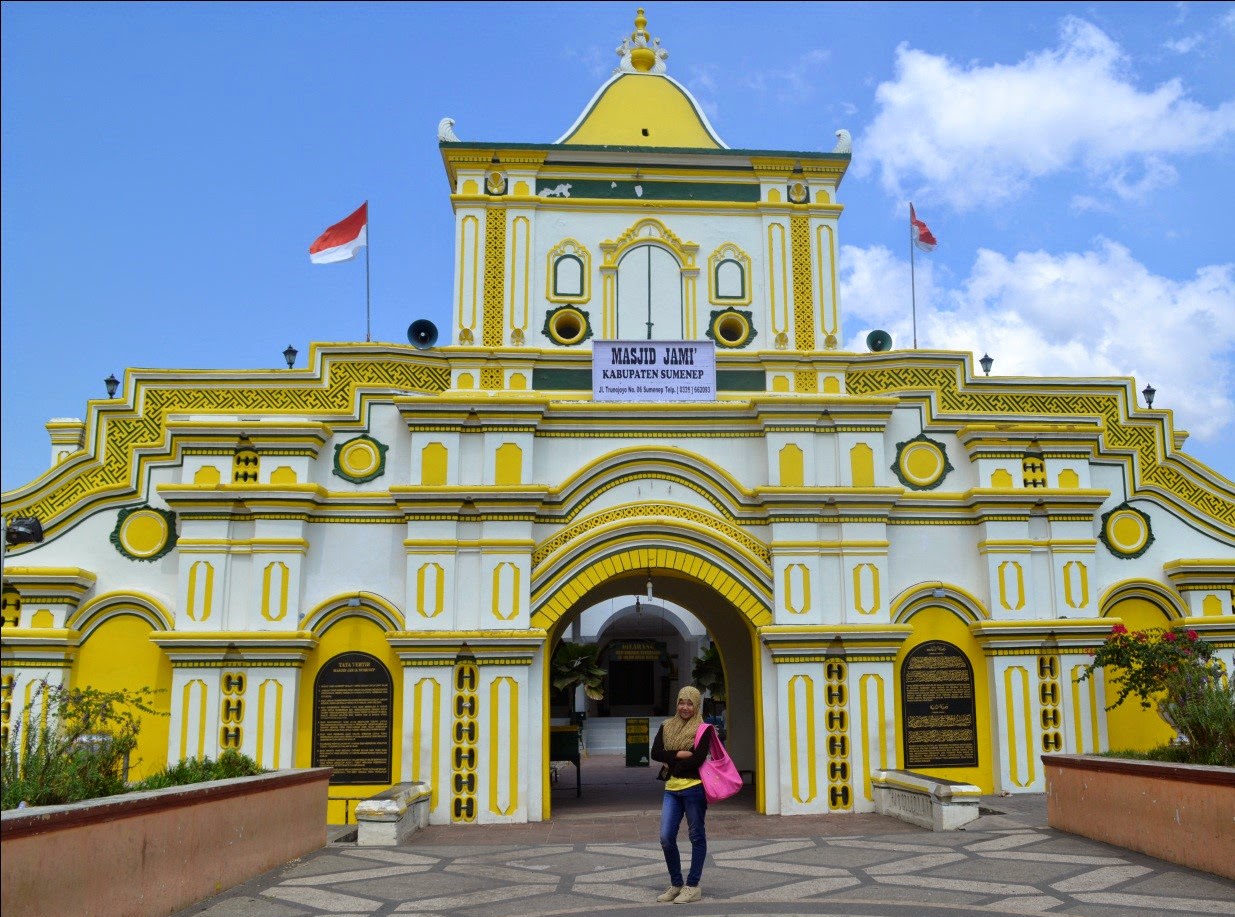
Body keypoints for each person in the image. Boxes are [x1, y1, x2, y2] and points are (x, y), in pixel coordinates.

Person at [650, 685, 713, 904]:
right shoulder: (666, 726)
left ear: (697, 706)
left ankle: (692, 886)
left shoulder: (703, 729)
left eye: (690, 704)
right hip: (672, 790)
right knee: (666, 838)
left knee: (696, 836)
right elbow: (655, 753)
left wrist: (672, 762)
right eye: (681, 702)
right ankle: (676, 883)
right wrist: (680, 753)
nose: (685, 707)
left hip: (694, 789)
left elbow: (698, 758)